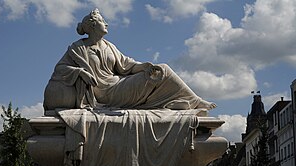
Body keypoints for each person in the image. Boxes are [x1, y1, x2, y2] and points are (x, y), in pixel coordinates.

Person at [43, 8, 216, 111]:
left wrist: (143, 66)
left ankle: (184, 101)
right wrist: (81, 72)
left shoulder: (109, 46)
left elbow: (126, 64)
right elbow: (60, 69)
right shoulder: (77, 48)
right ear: (94, 26)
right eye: (103, 21)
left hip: (119, 84)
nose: (107, 24)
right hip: (106, 93)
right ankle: (190, 101)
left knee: (159, 70)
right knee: (163, 69)